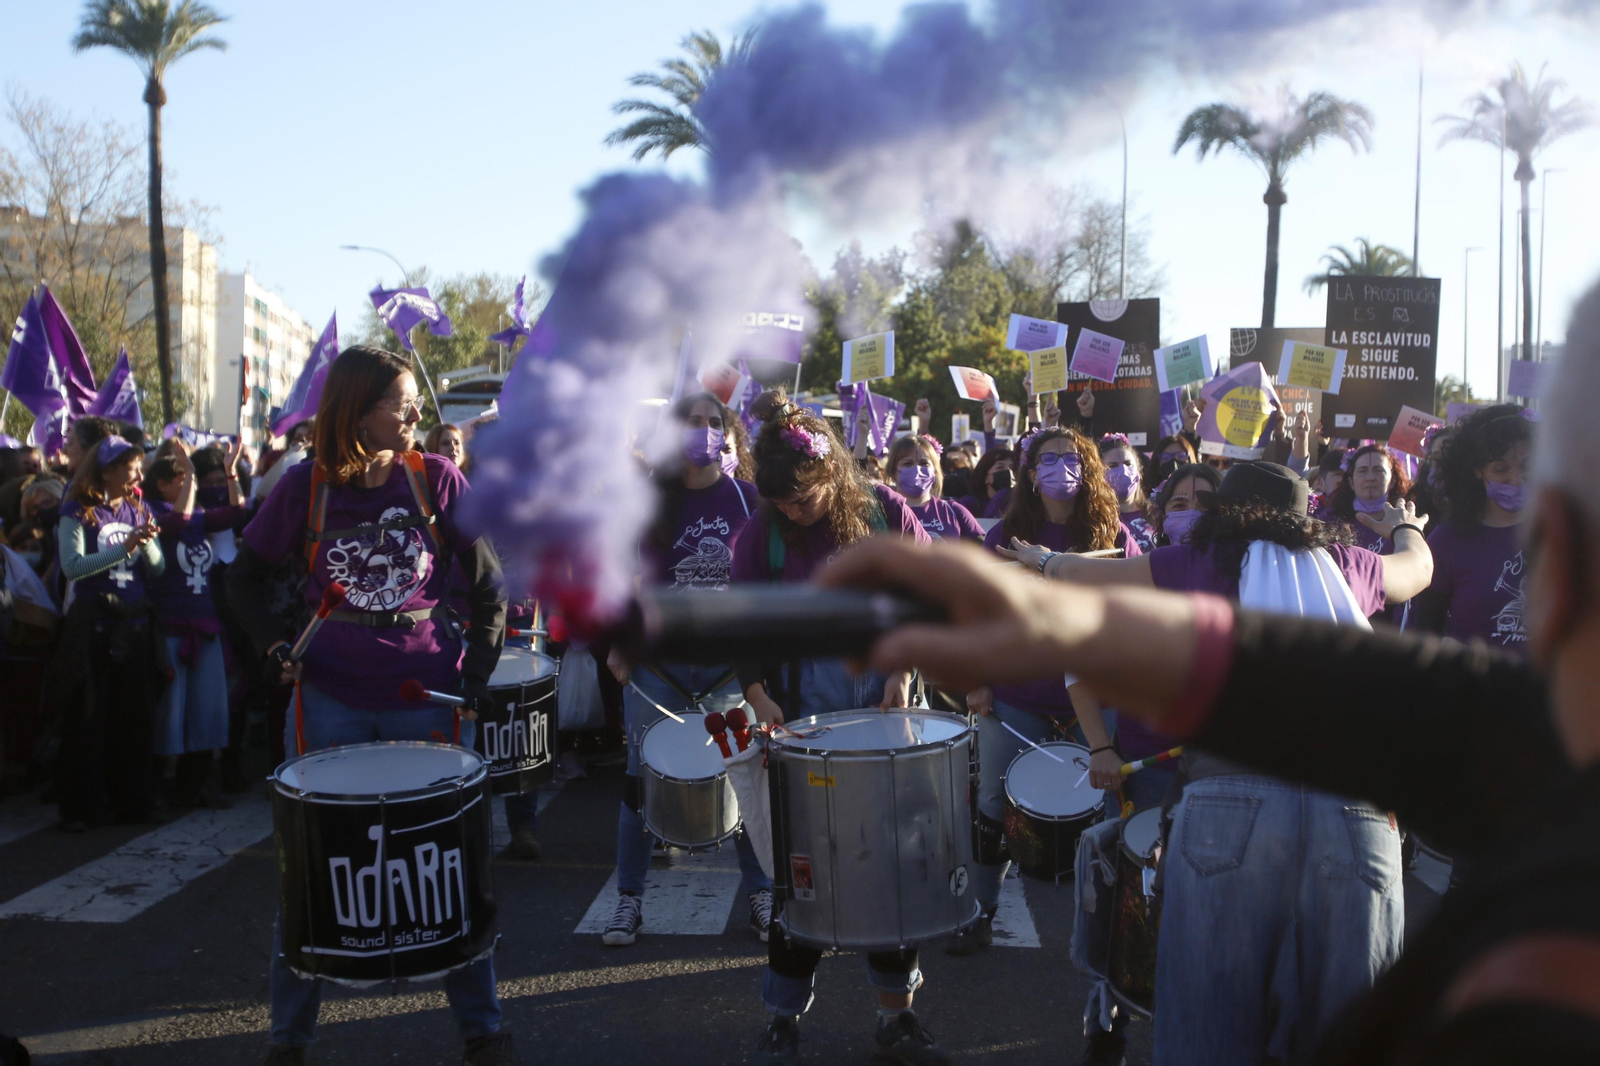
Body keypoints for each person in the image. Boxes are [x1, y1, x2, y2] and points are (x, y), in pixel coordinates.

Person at [972, 460, 1434, 1065]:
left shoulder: (1200, 562)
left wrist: (1041, 560)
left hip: (1228, 798)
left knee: (1211, 1035)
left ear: (1223, 516)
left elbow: (1087, 575)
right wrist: (1405, 526)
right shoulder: (1350, 567)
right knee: (1351, 1033)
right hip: (1356, 809)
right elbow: (1418, 570)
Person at [226, 346, 519, 1066]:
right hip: (328, 704)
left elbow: (490, 588)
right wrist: (271, 650)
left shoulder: (438, 479)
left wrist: (477, 674)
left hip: (427, 700)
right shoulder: (303, 489)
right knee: (315, 869)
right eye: (398, 401)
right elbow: (240, 582)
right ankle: (287, 1041)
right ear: (354, 414)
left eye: (413, 398)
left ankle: (482, 1031)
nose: (414, 411)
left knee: (447, 867)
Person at [729, 391, 942, 1066]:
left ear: (833, 472)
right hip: (799, 710)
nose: (794, 513)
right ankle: (781, 1020)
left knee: (887, 870)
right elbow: (744, 626)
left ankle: (897, 1017)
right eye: (782, 504)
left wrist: (902, 668)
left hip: (880, 698)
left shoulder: (886, 512)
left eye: (804, 499)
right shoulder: (757, 534)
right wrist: (758, 695)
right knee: (803, 875)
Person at [955, 426, 1141, 958]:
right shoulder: (1004, 537)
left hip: (1096, 700)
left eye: (1071, 458)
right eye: (1048, 459)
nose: (1061, 467)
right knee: (992, 802)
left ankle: (1111, 923)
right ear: (1030, 473)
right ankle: (980, 912)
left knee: (1109, 810)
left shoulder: (1114, 536)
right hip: (1015, 697)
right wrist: (976, 681)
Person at [599, 391, 773, 948]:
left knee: (746, 782)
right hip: (658, 671)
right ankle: (628, 901)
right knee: (638, 787)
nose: (703, 430)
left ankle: (762, 895)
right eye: (691, 422)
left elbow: (765, 589)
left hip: (729, 674)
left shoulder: (749, 500)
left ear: (728, 433)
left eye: (713, 422)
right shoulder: (643, 502)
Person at [51, 435, 166, 830]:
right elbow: (73, 568)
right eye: (131, 466)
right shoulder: (78, 510)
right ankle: (82, 807)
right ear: (109, 470)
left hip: (133, 624)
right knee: (89, 718)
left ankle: (131, 802)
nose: (138, 473)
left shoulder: (138, 507)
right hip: (93, 626)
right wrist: (124, 549)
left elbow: (158, 568)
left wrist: (146, 545)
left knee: (132, 719)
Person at [146, 440, 249, 809]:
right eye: (182, 479)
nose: (192, 486)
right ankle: (158, 788)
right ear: (163, 484)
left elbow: (237, 512)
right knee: (169, 714)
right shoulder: (153, 514)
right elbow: (178, 520)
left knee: (207, 709)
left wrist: (231, 470)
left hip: (203, 626)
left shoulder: (198, 519)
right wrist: (191, 470)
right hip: (171, 629)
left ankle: (195, 785)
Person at [1410, 405, 1534, 655]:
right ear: (1478, 471)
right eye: (1501, 469)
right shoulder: (1447, 541)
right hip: (1473, 689)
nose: (1517, 479)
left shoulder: (1565, 533)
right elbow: (1423, 632)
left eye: (1526, 467)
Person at [1325, 444, 1414, 626]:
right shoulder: (1330, 520)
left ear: (1394, 480)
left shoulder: (1407, 523)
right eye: (1362, 471)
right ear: (1350, 481)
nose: (1370, 478)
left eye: (1378, 471)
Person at [885, 434, 983, 542]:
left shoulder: (954, 511)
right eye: (908, 464)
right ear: (892, 472)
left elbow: (984, 552)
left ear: (935, 471)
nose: (917, 469)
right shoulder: (884, 513)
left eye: (924, 463)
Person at [1100, 433, 1157, 553]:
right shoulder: (1098, 521)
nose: (1123, 470)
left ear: (1139, 472)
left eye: (1128, 464)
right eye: (1113, 466)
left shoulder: (1158, 513)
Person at [956, 443, 1016, 520]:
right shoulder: (970, 503)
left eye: (1012, 467)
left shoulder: (1019, 503)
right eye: (1000, 467)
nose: (1008, 471)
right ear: (985, 476)